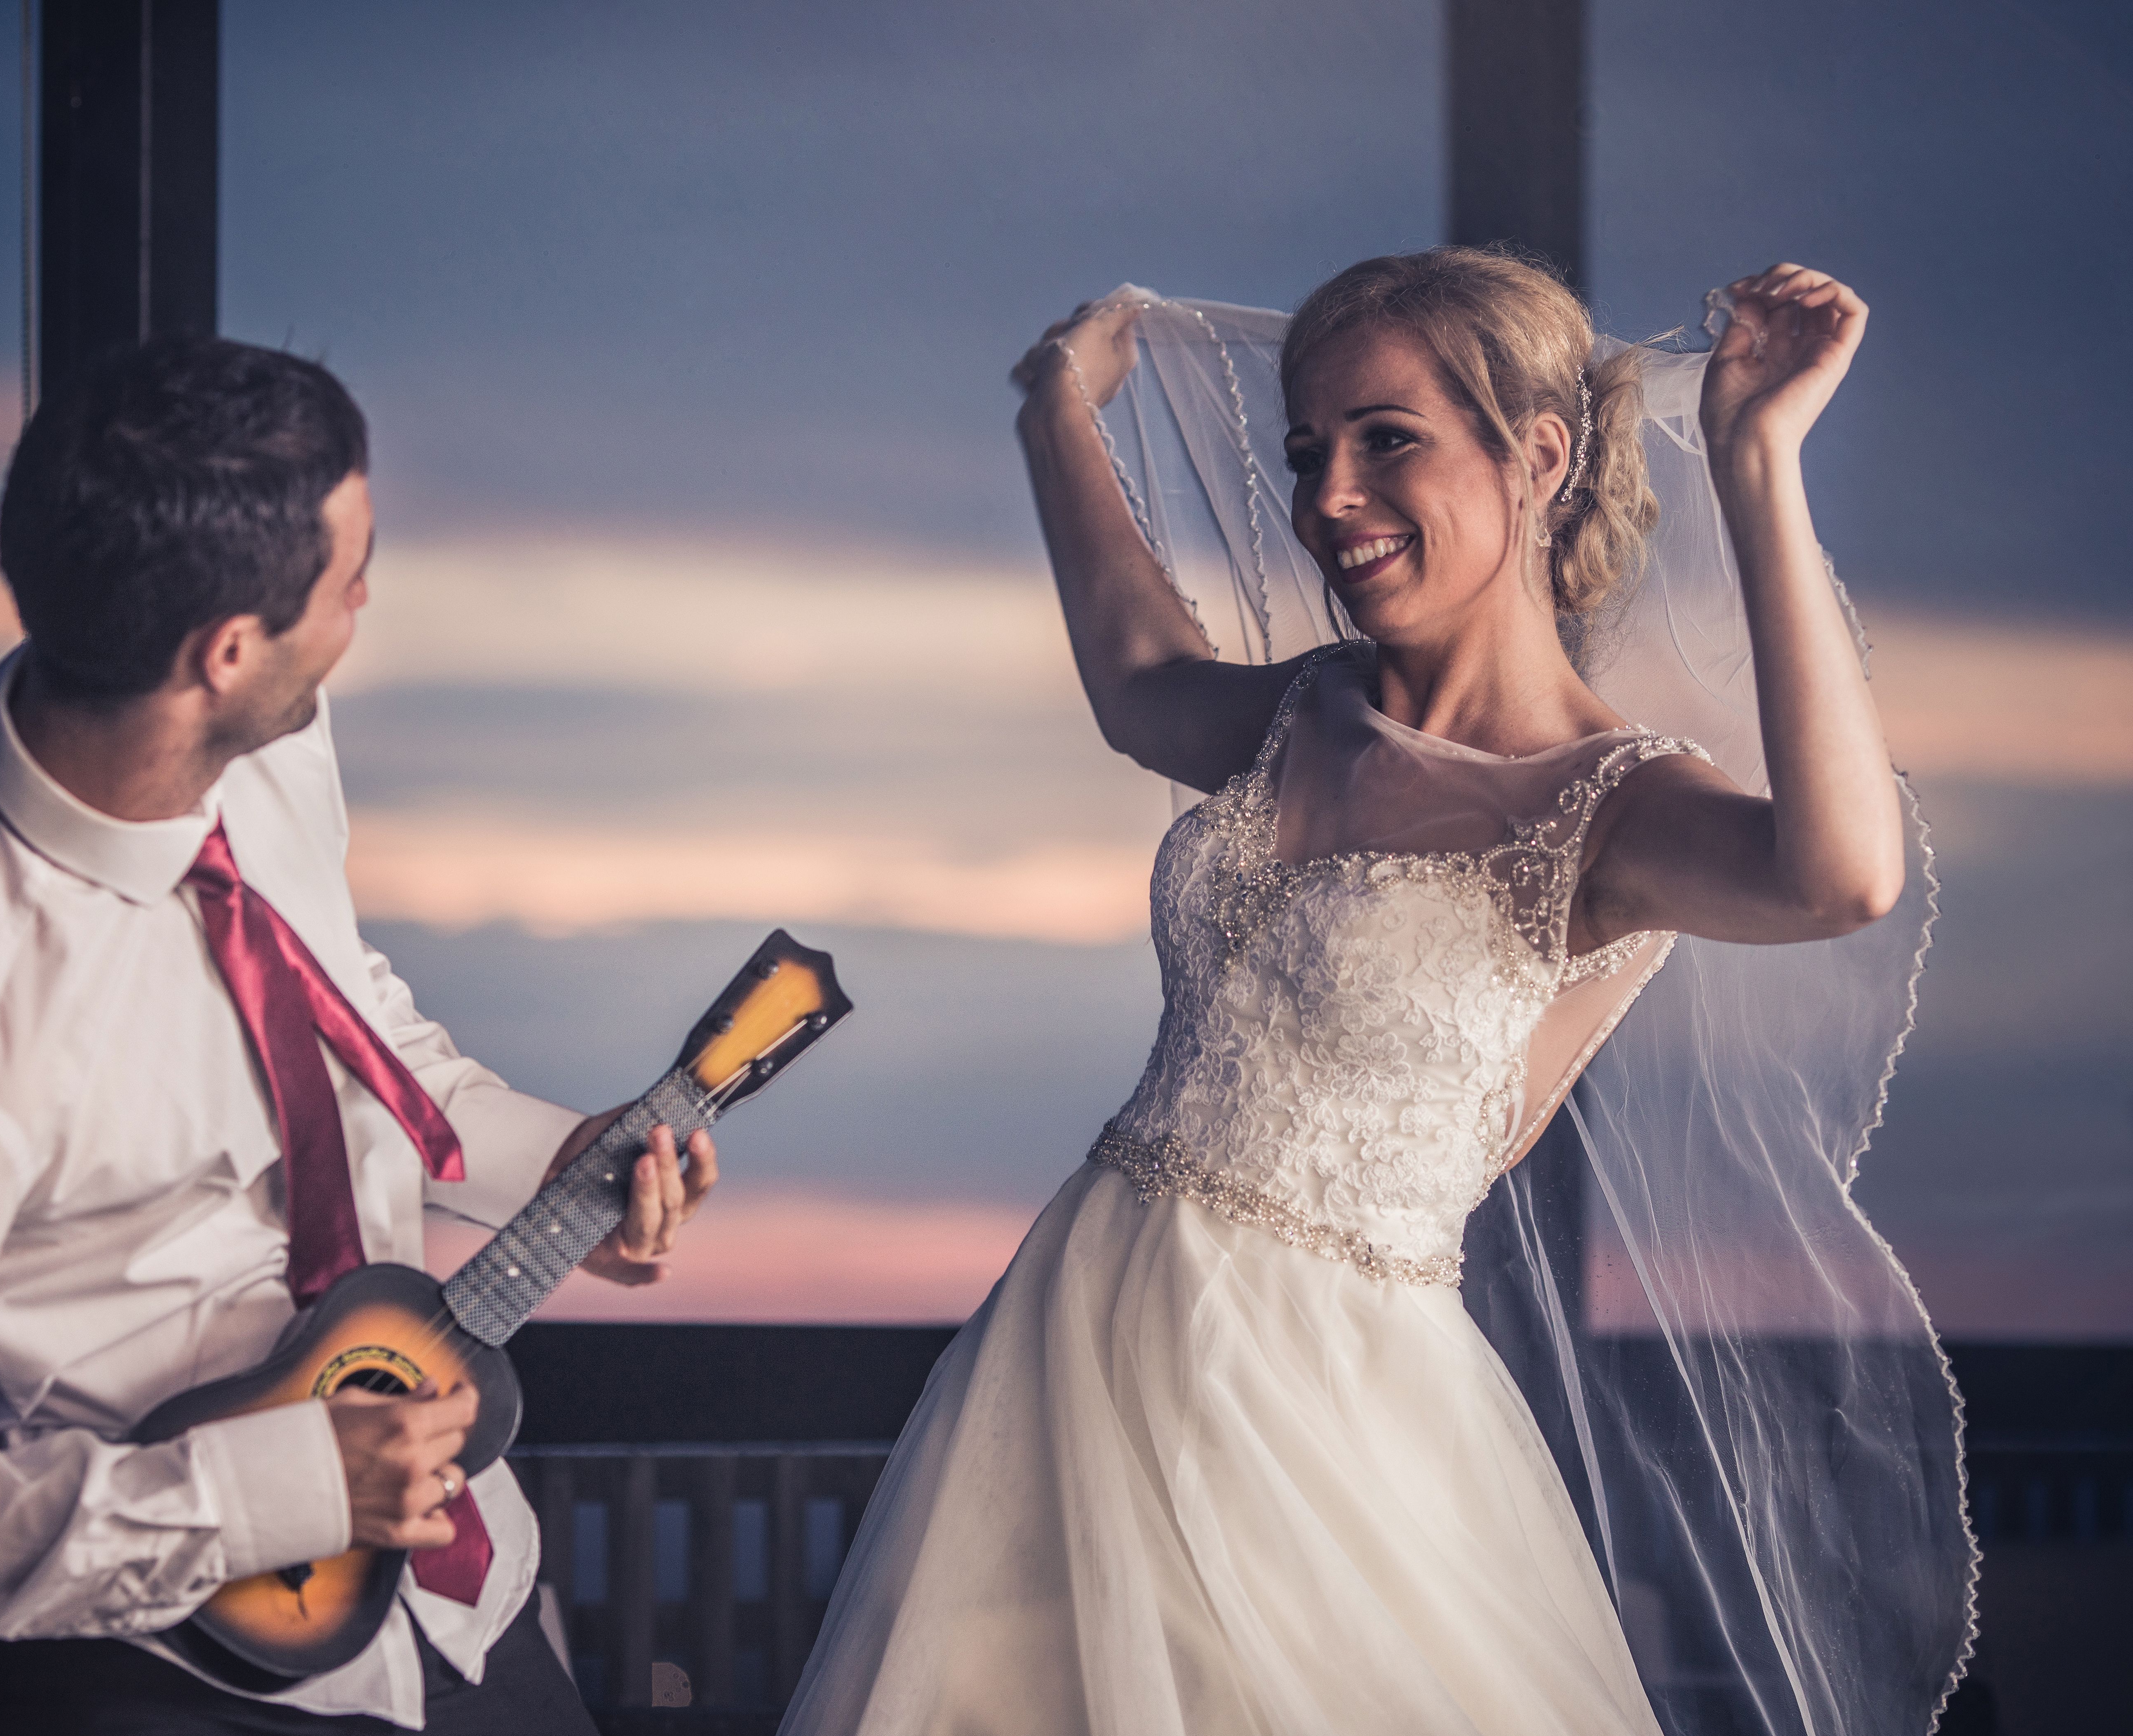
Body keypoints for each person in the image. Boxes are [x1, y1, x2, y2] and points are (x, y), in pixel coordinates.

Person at [779, 249, 1971, 1734]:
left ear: (1539, 456)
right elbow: (1137, 669)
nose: (1326, 495)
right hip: (1075, 1346)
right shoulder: (1300, 714)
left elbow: (1840, 878)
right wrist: (1053, 416)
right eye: (1306, 451)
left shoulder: (1605, 805)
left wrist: (1757, 452)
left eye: (1385, 439)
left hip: (1322, 1409)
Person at [0, 335, 720, 1735]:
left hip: (467, 1607)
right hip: (167, 1680)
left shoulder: (250, 726)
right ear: (226, 648)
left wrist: (553, 1157)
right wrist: (281, 1489)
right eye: (352, 576)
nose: (368, 600)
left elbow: (335, 1002)